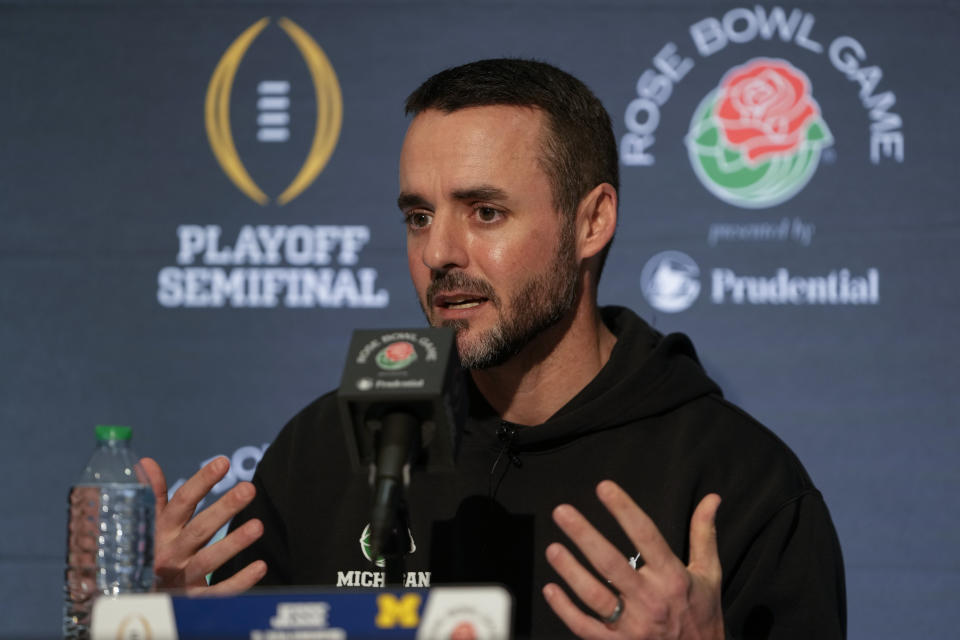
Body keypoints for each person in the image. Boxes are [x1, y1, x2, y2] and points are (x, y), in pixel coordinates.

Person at [141, 58, 846, 639]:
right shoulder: (324, 452)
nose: (440, 252)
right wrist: (165, 626)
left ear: (591, 221)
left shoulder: (740, 483)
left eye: (485, 212)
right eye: (419, 216)